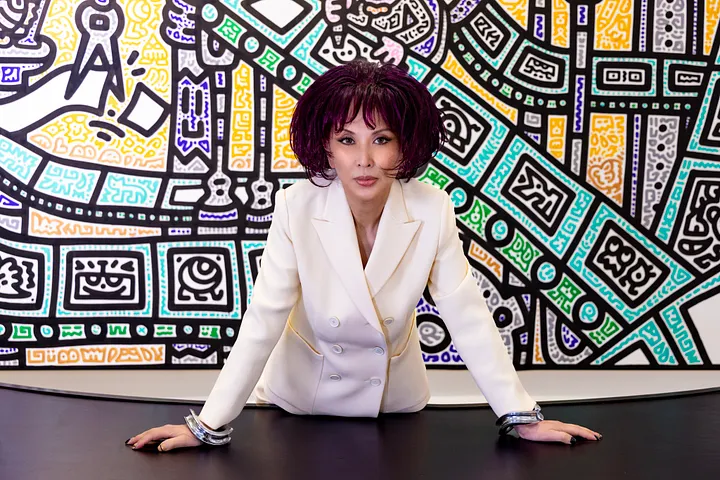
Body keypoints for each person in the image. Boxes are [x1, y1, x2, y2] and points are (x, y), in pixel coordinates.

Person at [128, 60, 601, 452]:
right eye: (347, 140)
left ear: (405, 144)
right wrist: (208, 425)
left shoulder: (432, 207)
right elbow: (264, 318)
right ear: (326, 147)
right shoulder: (296, 206)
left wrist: (520, 416)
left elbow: (468, 316)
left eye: (382, 139)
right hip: (301, 404)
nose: (364, 160)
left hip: (395, 405)